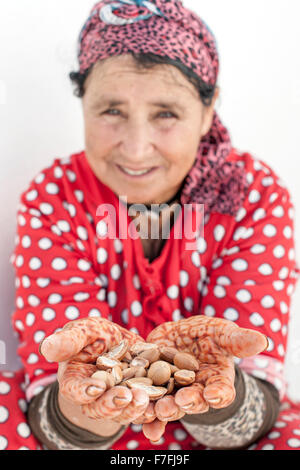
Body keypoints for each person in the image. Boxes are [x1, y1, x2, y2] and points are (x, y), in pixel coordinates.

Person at [1, 0, 300, 451]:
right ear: (83, 103)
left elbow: (254, 418)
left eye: (166, 114)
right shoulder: (55, 197)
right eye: (111, 111)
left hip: (224, 432)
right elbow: (51, 410)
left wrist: (217, 394)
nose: (136, 150)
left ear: (207, 109)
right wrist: (87, 407)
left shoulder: (251, 195)